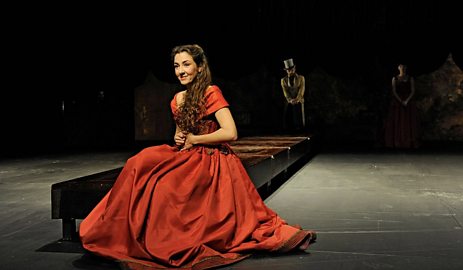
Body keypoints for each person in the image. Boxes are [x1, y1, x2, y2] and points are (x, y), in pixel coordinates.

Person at [79, 44, 316, 270]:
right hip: (188, 154)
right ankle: (121, 232)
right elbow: (179, 135)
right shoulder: (177, 99)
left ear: (200, 67)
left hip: (212, 158)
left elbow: (230, 132)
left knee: (165, 186)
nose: (180, 70)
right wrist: (181, 138)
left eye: (186, 64)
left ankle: (164, 238)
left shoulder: (210, 92)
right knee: (138, 163)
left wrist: (196, 140)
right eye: (176, 66)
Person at [383, 64, 421, 149]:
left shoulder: (410, 78)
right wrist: (400, 101)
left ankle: (409, 141)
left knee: (408, 121)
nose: (402, 69)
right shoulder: (395, 79)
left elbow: (413, 90)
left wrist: (407, 100)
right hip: (397, 102)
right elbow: (394, 91)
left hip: (408, 101)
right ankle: (397, 141)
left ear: (406, 68)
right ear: (398, 68)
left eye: (404, 67)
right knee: (397, 120)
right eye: (401, 67)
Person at [281, 58, 306, 131]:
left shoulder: (301, 78)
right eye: (289, 70)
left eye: (292, 69)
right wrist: (290, 100)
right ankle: (289, 130)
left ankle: (301, 129)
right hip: (290, 101)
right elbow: (285, 92)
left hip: (299, 100)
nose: (291, 71)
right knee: (289, 117)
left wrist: (297, 99)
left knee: (299, 118)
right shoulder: (283, 80)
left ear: (294, 68)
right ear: (286, 71)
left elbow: (302, 90)